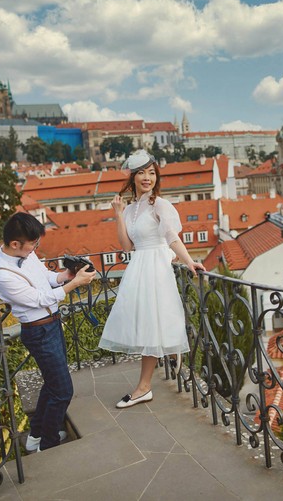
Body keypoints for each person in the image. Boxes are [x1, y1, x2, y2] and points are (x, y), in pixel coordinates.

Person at [98, 149, 206, 408]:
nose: (148, 178)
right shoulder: (130, 209)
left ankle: (144, 386)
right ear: (133, 177)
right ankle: (161, 365)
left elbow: (171, 237)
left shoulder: (159, 204)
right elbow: (126, 246)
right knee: (145, 324)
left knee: (152, 323)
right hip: (139, 267)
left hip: (156, 267)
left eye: (152, 173)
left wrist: (189, 262)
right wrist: (117, 214)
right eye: (142, 173)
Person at [0, 212, 96, 452]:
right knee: (62, 391)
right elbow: (40, 299)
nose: (35, 248)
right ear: (15, 243)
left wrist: (65, 276)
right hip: (38, 332)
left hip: (51, 324)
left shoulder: (25, 254)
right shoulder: (3, 277)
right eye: (33, 244)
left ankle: (36, 435)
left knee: (52, 384)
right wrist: (74, 284)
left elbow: (45, 278)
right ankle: (48, 445)